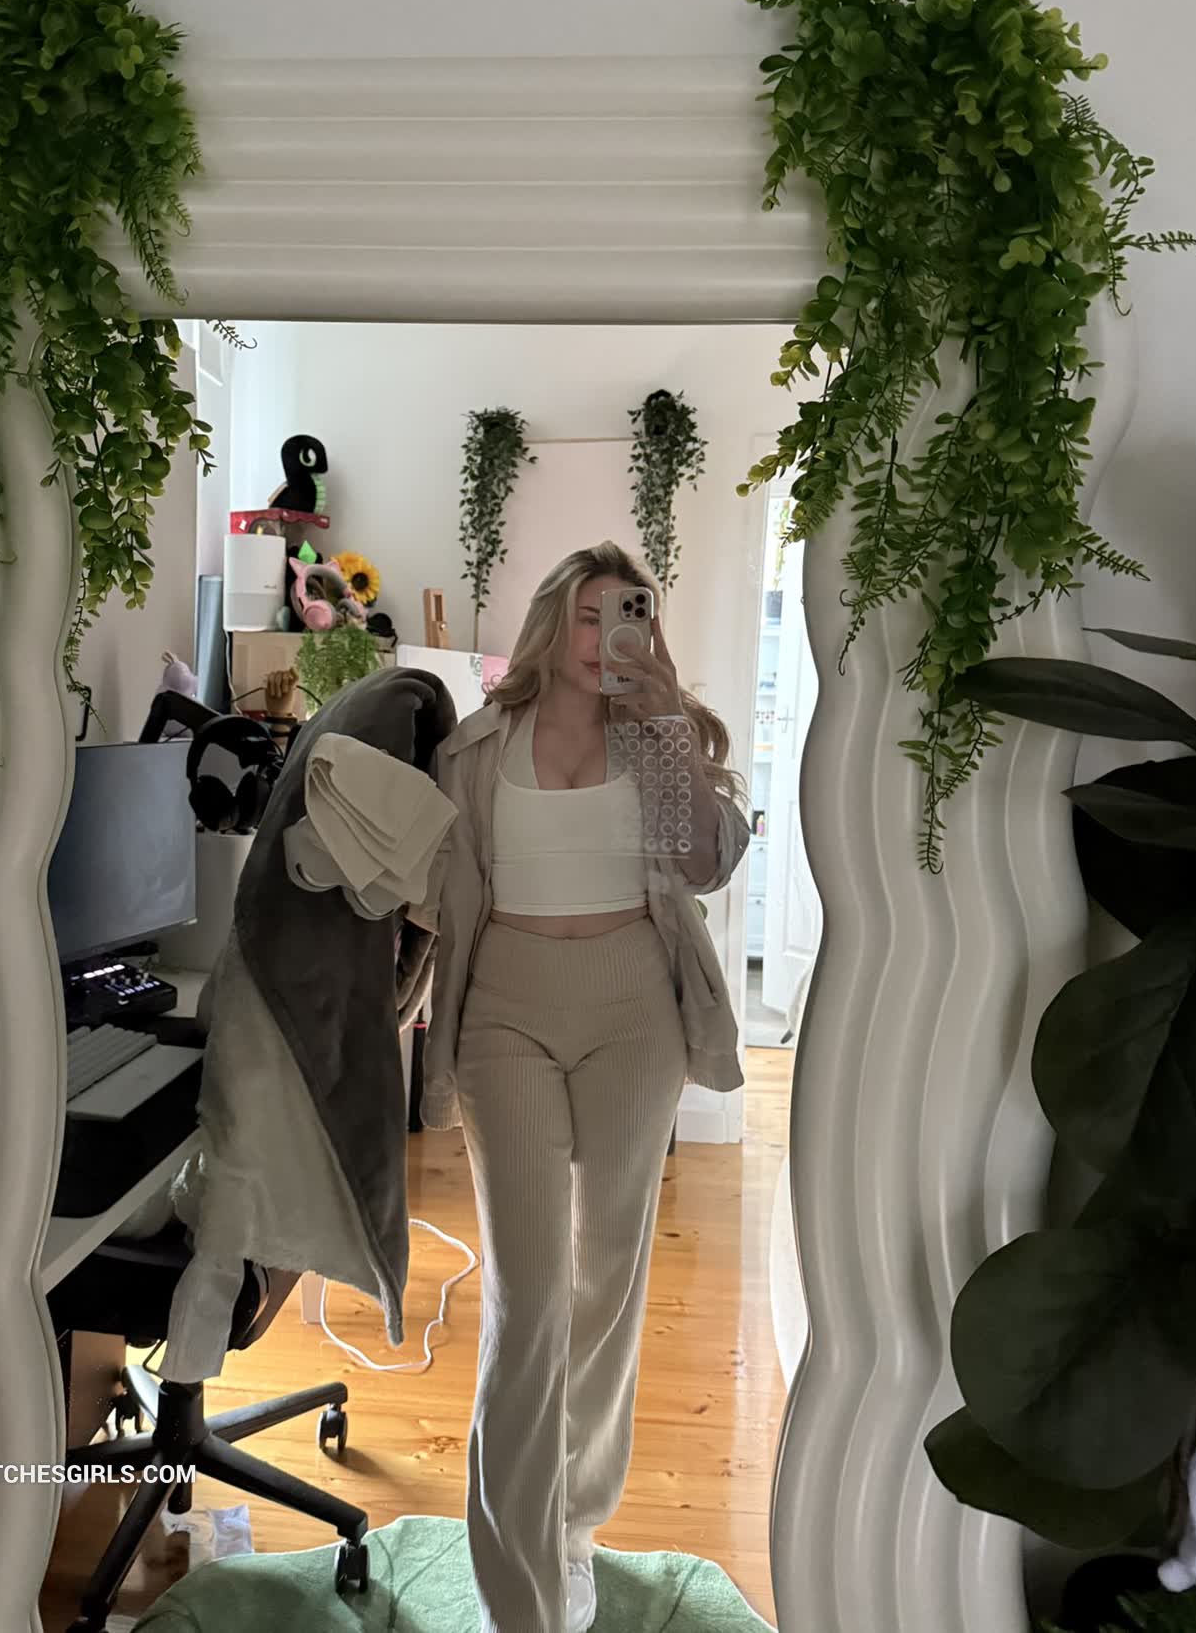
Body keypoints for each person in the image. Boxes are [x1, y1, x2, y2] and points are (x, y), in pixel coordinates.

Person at [420, 543, 749, 1633]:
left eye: (629, 615)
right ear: (552, 622)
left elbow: (705, 865)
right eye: (589, 615)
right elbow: (432, 886)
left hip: (631, 1011)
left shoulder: (657, 738)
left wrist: (668, 727)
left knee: (608, 1280)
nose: (607, 636)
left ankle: (572, 1530)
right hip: (504, 1008)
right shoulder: (479, 745)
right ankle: (512, 1573)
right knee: (528, 1298)